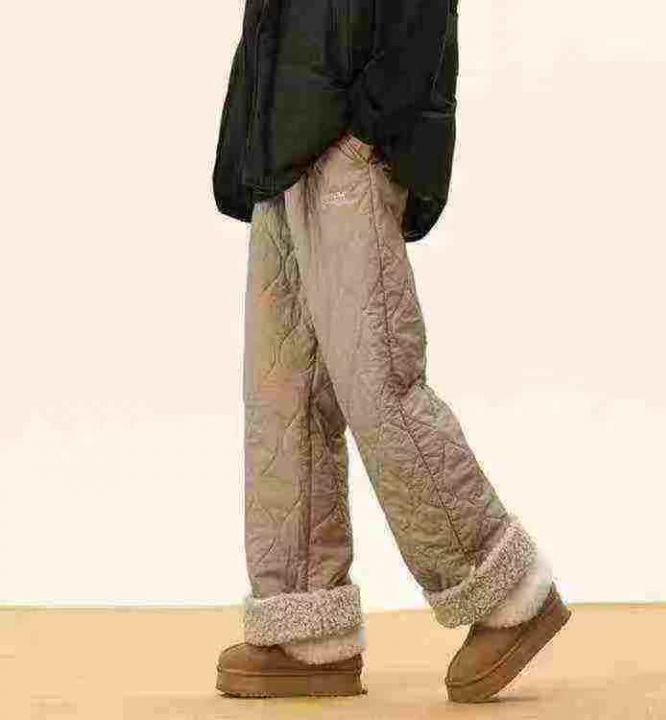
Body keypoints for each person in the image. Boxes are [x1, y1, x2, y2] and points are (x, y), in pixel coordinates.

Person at [211, 0, 571, 703]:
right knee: (283, 399)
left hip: (346, 144)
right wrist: (243, 147)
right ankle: (306, 629)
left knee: (380, 384)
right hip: (279, 153)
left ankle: (507, 593)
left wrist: (372, 128)